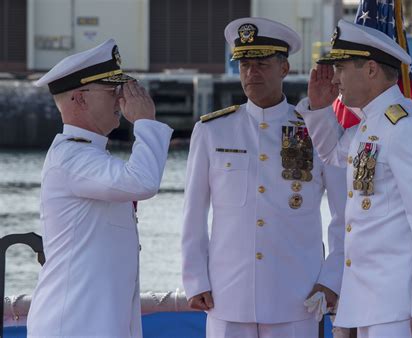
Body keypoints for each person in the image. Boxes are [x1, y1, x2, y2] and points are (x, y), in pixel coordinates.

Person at [181, 17, 347, 338]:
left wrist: (331, 280)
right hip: (227, 297)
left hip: (297, 299)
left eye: (261, 63)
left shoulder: (317, 129)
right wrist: (195, 279)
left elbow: (344, 215)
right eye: (244, 64)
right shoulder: (212, 131)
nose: (251, 72)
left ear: (284, 69)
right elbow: (193, 215)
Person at [296, 20, 412, 337]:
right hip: (368, 306)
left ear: (370, 69)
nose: (336, 78)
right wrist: (318, 107)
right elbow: (333, 154)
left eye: (342, 68)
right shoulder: (370, 126)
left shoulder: (406, 129)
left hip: (399, 310)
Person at [27, 39, 173, 337]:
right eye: (112, 91)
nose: (121, 100)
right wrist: (145, 122)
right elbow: (142, 181)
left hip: (95, 323)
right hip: (73, 325)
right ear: (80, 99)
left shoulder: (88, 156)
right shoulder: (71, 157)